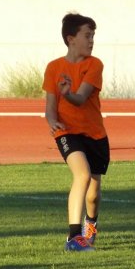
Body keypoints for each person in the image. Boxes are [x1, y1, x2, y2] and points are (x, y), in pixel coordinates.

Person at [43, 13, 110, 252]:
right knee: (81, 176)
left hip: (95, 134)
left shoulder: (94, 64)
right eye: (87, 35)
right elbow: (50, 106)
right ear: (71, 39)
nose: (91, 41)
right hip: (67, 132)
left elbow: (80, 98)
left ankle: (90, 223)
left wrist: (68, 92)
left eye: (93, 36)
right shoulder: (53, 68)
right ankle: (74, 236)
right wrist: (52, 121)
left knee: (93, 192)